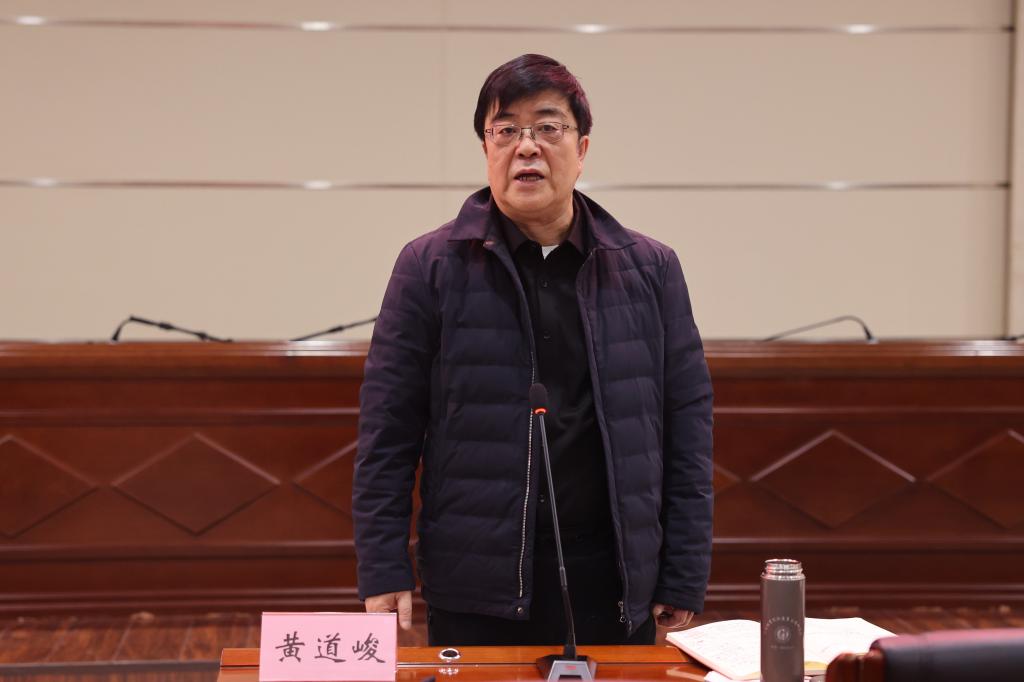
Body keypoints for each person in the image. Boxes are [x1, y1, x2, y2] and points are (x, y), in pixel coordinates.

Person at [353, 53, 713, 646]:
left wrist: (684, 571)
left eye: (547, 127)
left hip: (613, 576)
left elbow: (687, 427)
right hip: (475, 578)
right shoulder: (429, 266)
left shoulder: (649, 268)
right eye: (506, 130)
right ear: (486, 148)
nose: (527, 147)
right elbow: (387, 430)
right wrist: (383, 565)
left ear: (582, 148)